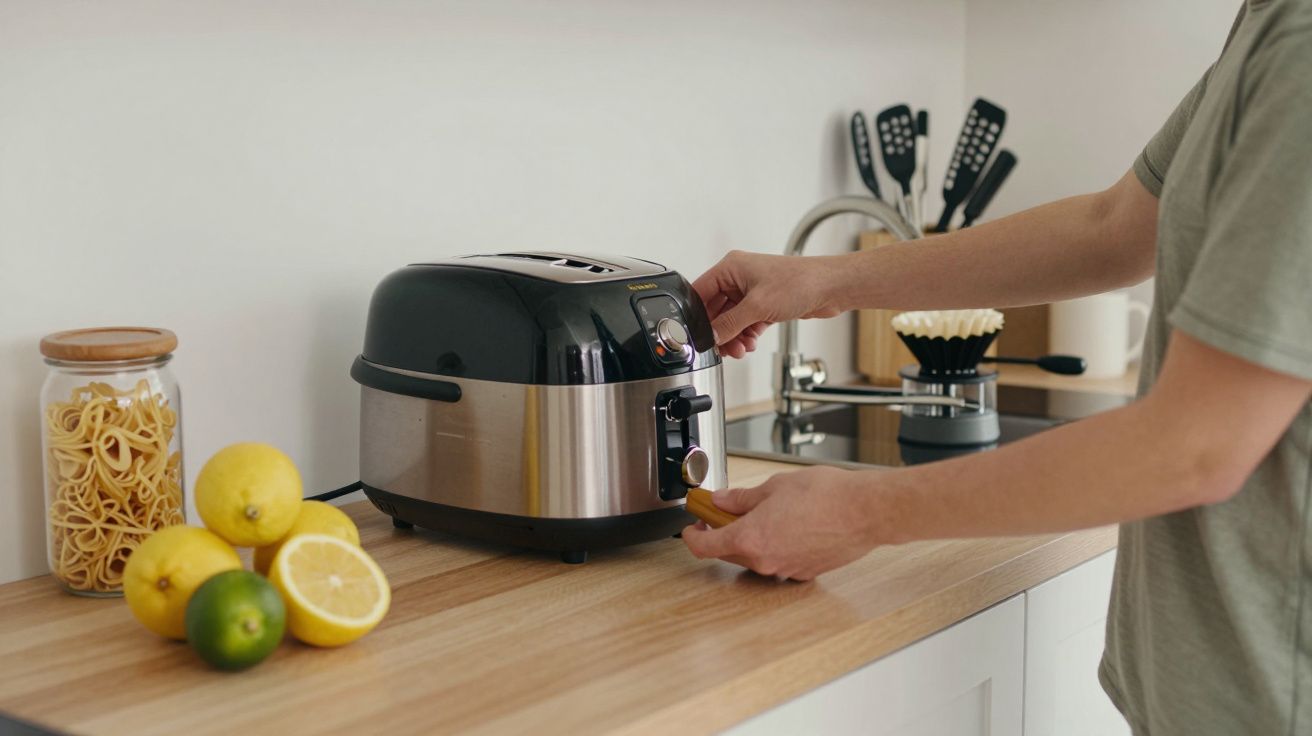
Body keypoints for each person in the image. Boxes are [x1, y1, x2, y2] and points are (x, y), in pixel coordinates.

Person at [682, 1, 1312, 733]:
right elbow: (1110, 228)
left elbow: (1194, 447)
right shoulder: (1271, 21)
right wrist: (824, 280)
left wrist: (857, 513)